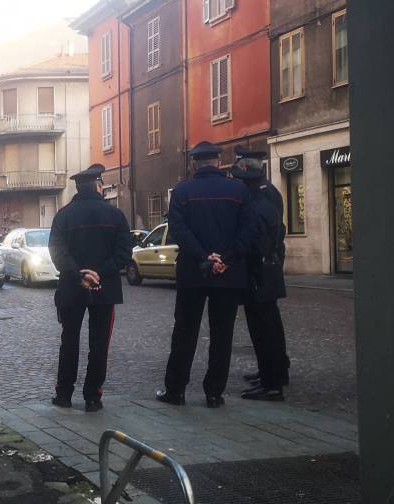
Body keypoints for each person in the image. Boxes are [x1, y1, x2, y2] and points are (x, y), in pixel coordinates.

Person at [156, 142, 254, 408]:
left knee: (185, 332)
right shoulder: (239, 190)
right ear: (219, 161)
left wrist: (203, 256)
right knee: (222, 335)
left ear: (194, 164)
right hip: (228, 273)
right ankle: (214, 393)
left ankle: (175, 390)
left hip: (192, 272)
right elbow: (248, 231)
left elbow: (177, 229)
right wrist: (226, 258)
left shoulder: (182, 191)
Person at [49, 163, 134, 412]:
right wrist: (99, 274)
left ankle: (64, 395)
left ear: (77, 188)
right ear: (98, 186)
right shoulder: (115, 215)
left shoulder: (63, 215)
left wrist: (79, 275)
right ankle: (93, 397)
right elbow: (124, 253)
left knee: (69, 341)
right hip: (104, 288)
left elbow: (57, 252)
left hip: (72, 287)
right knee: (99, 344)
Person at [231, 146, 289, 400]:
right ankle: (274, 371)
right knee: (270, 324)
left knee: (264, 327)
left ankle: (272, 382)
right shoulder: (268, 194)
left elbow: (257, 239)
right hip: (269, 269)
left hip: (260, 271)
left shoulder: (259, 200)